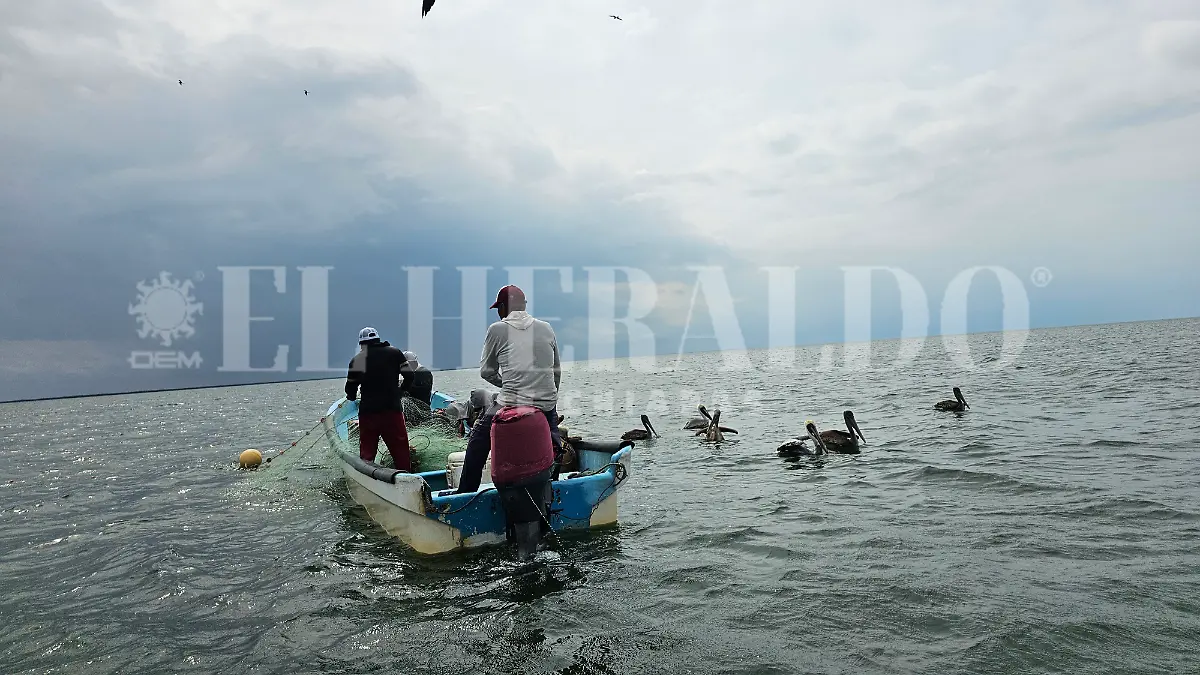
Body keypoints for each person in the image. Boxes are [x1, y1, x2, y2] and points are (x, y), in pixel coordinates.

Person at [456, 285, 563, 493]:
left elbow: (487, 372)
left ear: (504, 307)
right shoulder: (547, 328)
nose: (498, 312)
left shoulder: (497, 329)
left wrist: (509, 384)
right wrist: (549, 400)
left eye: (499, 308)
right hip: (546, 403)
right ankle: (554, 487)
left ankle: (465, 493)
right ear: (524, 305)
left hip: (511, 403)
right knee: (554, 444)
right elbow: (556, 371)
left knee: (478, 441)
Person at [344, 327, 413, 471]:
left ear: (362, 344)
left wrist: (351, 396)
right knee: (400, 449)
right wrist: (400, 391)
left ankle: (367, 477)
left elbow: (350, 388)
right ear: (378, 339)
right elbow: (410, 376)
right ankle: (406, 475)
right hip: (392, 409)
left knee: (367, 451)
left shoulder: (357, 360)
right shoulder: (394, 353)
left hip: (368, 413)